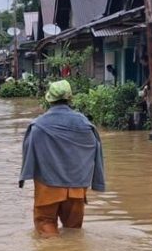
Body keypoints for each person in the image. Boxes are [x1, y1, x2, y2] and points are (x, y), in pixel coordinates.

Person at [18, 79, 106, 236]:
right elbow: (96, 154)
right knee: (73, 232)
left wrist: (23, 179)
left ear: (49, 99)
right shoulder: (86, 125)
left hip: (47, 187)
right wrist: (97, 182)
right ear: (70, 98)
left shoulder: (38, 126)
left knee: (46, 226)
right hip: (77, 188)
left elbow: (29, 156)